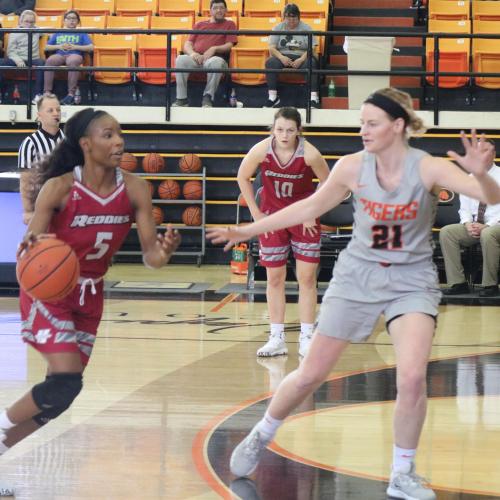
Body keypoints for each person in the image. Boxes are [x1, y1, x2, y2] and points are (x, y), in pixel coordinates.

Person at [207, 87, 500, 500]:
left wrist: (482, 173)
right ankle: (262, 432)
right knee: (311, 373)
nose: (362, 130)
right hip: (358, 277)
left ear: (397, 126)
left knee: (414, 377)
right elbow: (307, 208)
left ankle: (402, 473)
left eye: (371, 123)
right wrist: (249, 228)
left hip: (410, 281)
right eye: (361, 122)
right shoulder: (349, 167)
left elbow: (490, 196)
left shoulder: (428, 167)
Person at [0, 108, 181, 498]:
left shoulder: (135, 188)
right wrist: (33, 248)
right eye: (108, 135)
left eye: (120, 134)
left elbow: (150, 257)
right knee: (66, 376)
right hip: (49, 291)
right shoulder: (60, 188)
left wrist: (163, 252)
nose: (119, 142)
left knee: (62, 397)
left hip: (90, 294)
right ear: (86, 144)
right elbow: (29, 250)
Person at [238, 107, 329, 357]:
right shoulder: (261, 149)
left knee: (307, 279)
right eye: (279, 130)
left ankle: (307, 337)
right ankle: (276, 337)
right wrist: (256, 213)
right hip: (273, 218)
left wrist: (313, 210)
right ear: (273, 129)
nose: (284, 135)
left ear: (299, 130)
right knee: (274, 279)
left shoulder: (310, 154)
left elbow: (328, 182)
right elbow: (242, 177)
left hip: (303, 219)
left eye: (290, 130)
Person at [440, 141, 500, 297]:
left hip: (496, 226)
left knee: (488, 234)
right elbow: (464, 209)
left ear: (493, 154)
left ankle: (490, 285)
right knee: (447, 232)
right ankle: (458, 283)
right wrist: (467, 224)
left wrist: (487, 226)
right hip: (475, 226)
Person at [172, 0, 237, 108]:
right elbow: (188, 44)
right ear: (210, 11)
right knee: (181, 59)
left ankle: (207, 98)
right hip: (197, 58)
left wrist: (214, 49)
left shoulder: (229, 24)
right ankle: (181, 99)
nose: (219, 10)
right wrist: (193, 54)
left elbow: (229, 45)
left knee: (216, 62)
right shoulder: (199, 24)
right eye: (215, 8)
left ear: (226, 10)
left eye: (221, 8)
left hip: (215, 59)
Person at [18, 94, 64, 225]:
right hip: (41, 206)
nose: (56, 113)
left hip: (67, 206)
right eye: (50, 110)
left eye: (58, 110)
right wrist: (27, 210)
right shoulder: (29, 143)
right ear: (39, 115)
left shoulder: (69, 142)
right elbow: (25, 180)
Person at [264, 3, 319, 109]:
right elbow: (271, 47)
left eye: (294, 19)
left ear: (299, 18)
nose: (291, 22)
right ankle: (273, 97)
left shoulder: (306, 28)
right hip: (283, 55)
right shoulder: (278, 27)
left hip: (301, 56)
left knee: (311, 63)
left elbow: (312, 48)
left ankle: (313, 98)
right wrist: (281, 57)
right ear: (284, 18)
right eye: (288, 19)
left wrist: (301, 59)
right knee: (270, 62)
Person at [43, 10, 93, 105]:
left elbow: (90, 47)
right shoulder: (58, 32)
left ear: (78, 21)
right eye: (69, 18)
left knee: (73, 61)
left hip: (75, 54)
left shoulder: (82, 33)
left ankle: (71, 94)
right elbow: (46, 47)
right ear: (64, 21)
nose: (71, 21)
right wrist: (59, 46)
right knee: (50, 60)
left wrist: (75, 47)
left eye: (74, 18)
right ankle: (47, 92)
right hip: (60, 54)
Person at [0, 10, 45, 103]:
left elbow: (47, 32)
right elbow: (10, 51)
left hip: (33, 59)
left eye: (32, 22)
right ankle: (1, 93)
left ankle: (38, 95)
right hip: (17, 58)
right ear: (20, 21)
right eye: (26, 21)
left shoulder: (37, 30)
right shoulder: (14, 32)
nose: (29, 24)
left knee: (42, 63)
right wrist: (18, 60)